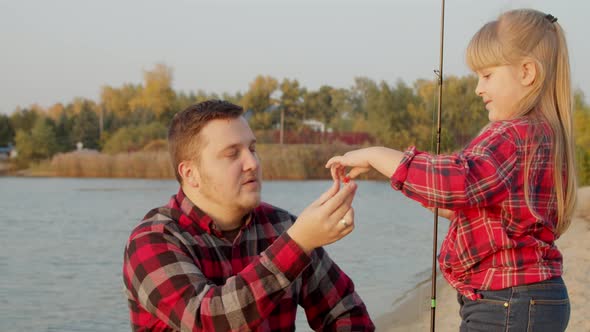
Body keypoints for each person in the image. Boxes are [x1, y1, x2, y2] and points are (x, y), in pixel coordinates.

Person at [326, 9, 575, 332]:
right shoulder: (542, 134)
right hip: (526, 298)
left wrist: (377, 154)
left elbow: (457, 181)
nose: (477, 89)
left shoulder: (513, 135)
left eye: (486, 75)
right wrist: (400, 178)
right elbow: (473, 207)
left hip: (506, 301)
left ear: (527, 72)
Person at [123, 100, 374, 331]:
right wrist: (297, 244)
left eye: (252, 149)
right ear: (190, 173)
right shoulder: (152, 240)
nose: (252, 163)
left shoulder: (282, 226)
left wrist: (298, 240)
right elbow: (209, 320)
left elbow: (346, 311)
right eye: (232, 153)